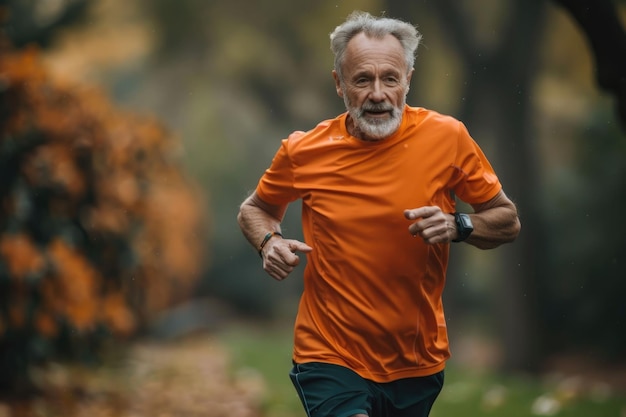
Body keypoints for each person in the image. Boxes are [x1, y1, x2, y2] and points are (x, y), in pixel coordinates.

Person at [237, 10, 521, 417]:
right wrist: (269, 241)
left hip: (416, 360)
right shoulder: (304, 151)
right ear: (339, 84)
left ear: (408, 79)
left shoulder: (448, 138)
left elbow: (506, 219)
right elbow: (257, 208)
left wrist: (459, 224)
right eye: (362, 80)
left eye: (390, 78)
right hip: (328, 351)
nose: (377, 93)